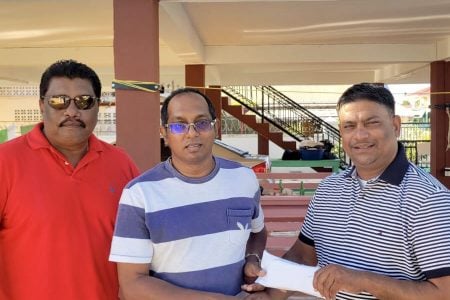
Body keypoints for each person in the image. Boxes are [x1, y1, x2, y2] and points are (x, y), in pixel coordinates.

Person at [245, 83, 450, 300]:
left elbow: (445, 292)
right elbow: (303, 257)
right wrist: (269, 292)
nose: (360, 135)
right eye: (349, 126)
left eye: (372, 123)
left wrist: (363, 281)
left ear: (396, 126)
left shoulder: (429, 200)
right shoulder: (328, 189)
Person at [0, 60, 140, 300]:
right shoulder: (5, 162)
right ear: (41, 105)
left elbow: (143, 241)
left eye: (84, 101)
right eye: (59, 101)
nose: (72, 111)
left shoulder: (121, 164)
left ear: (98, 106)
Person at [109, 88, 267, 299]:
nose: (191, 133)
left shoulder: (243, 179)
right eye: (178, 125)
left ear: (215, 128)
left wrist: (253, 258)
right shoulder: (140, 194)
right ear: (164, 133)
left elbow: (258, 232)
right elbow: (132, 285)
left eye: (201, 123)